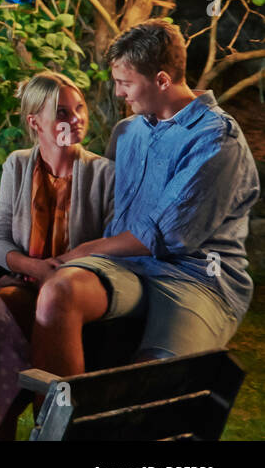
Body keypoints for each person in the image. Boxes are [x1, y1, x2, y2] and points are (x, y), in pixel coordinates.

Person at [33, 20, 259, 377]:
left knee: (149, 384)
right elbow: (101, 207)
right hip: (127, 267)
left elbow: (164, 235)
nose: (120, 93)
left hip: (196, 277)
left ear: (163, 80)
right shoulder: (127, 132)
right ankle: (59, 426)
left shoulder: (217, 141)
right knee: (58, 292)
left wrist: (81, 251)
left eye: (126, 83)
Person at [0, 71, 114, 340]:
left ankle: (55, 382)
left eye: (80, 108)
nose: (76, 119)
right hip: (26, 283)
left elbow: (114, 246)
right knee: (2, 304)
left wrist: (56, 274)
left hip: (76, 287)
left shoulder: (104, 173)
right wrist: (33, 269)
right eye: (62, 113)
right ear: (35, 122)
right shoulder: (17, 165)